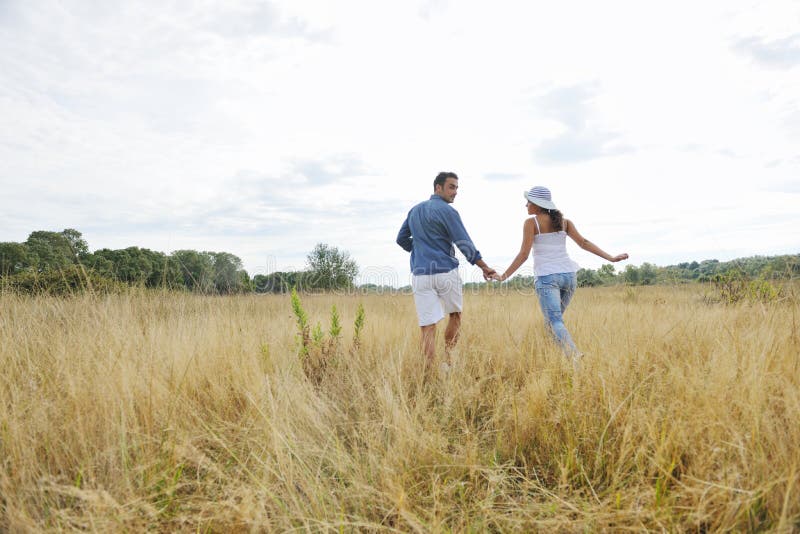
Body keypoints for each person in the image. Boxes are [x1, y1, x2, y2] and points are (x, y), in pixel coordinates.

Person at [494, 186, 628, 359]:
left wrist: (503, 276)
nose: (525, 205)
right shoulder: (565, 222)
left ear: (536, 204)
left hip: (547, 277)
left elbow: (523, 255)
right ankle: (553, 356)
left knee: (555, 321)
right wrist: (610, 258)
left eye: (528, 202)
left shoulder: (531, 223)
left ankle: (574, 355)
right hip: (569, 277)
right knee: (552, 322)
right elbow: (584, 243)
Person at [397, 172, 497, 370]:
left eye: (457, 188)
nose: (455, 192)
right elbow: (463, 242)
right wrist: (483, 266)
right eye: (452, 187)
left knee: (427, 326)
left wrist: (418, 249)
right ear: (438, 187)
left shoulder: (414, 211)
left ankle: (429, 372)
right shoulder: (448, 212)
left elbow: (401, 239)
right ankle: (448, 363)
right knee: (455, 315)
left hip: (420, 275)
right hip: (446, 272)